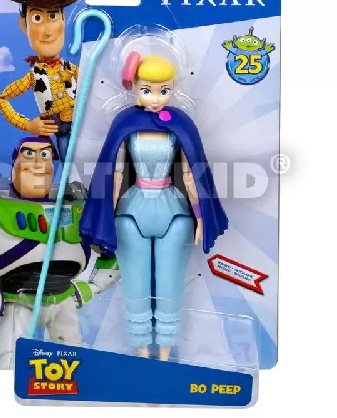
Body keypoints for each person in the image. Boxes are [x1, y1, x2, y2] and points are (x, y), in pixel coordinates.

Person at [79, 53, 228, 361]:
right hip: (131, 212)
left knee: (170, 285)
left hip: (174, 213)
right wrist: (105, 216)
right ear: (135, 87)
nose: (156, 98)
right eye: (147, 90)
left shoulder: (180, 124)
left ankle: (166, 351)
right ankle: (141, 350)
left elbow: (190, 173)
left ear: (173, 87)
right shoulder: (125, 123)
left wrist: (200, 216)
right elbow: (115, 172)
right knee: (135, 285)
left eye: (164, 90)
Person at [0, 136, 119, 369]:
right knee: (10, 362)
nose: (38, 163)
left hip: (64, 301)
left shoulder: (78, 208)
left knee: (74, 363)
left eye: (45, 155)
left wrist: (91, 288)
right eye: (29, 154)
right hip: (17, 301)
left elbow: (114, 256)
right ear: (14, 162)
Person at [0, 0, 85, 160]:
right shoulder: (34, 76)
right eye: (37, 18)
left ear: (63, 18)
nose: (48, 30)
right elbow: (3, 98)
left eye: (53, 15)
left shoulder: (73, 69)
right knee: (68, 161)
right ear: (24, 25)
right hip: (61, 132)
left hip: (85, 126)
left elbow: (93, 86)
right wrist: (28, 125)